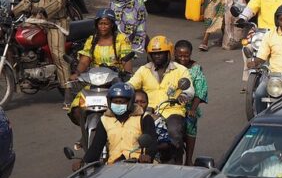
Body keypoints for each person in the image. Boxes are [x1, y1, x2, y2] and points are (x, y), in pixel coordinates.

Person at [13, 0, 70, 106]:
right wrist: (13, 12)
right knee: (17, 36)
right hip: (36, 21)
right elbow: (26, 2)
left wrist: (44, 11)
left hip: (55, 22)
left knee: (58, 54)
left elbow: (58, 2)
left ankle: (67, 91)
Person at [128, 36, 194, 164]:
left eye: (161, 53)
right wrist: (122, 90)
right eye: (154, 53)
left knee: (174, 132)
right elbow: (131, 84)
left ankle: (177, 161)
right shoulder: (143, 70)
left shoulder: (180, 70)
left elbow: (189, 89)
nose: (157, 56)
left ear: (168, 53)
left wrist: (184, 95)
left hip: (172, 111)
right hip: (147, 111)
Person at [68, 9, 134, 127]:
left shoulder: (121, 39)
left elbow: (126, 61)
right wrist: (77, 73)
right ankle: (85, 133)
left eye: (106, 24)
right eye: (100, 24)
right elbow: (84, 61)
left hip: (115, 81)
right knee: (77, 109)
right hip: (95, 80)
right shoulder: (92, 40)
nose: (103, 27)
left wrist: (128, 74)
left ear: (112, 25)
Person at [76, 82, 156, 168]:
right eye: (115, 102)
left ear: (130, 102)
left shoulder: (144, 118)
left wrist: (148, 156)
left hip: (137, 166)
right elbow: (96, 147)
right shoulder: (104, 120)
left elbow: (152, 143)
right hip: (113, 167)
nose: (118, 104)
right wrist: (83, 162)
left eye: (121, 102)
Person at [173, 40, 208, 166]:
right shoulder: (170, 66)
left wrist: (193, 109)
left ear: (190, 54)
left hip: (189, 106)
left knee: (190, 126)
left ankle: (188, 159)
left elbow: (200, 90)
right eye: (180, 56)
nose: (183, 58)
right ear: (174, 54)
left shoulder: (195, 69)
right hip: (171, 105)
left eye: (186, 56)